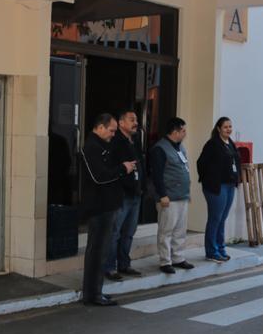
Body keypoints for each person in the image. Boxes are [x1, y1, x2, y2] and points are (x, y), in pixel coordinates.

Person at [80, 113, 136, 306]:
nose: (113, 134)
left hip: (108, 205)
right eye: (111, 130)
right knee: (97, 251)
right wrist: (123, 168)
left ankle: (95, 292)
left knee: (100, 252)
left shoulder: (103, 146)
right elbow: (100, 176)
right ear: (100, 127)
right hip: (99, 207)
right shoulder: (91, 147)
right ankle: (92, 294)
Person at [148, 117, 196, 274]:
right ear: (175, 132)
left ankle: (178, 258)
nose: (185, 133)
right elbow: (157, 175)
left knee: (180, 231)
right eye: (183, 130)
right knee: (166, 231)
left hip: (182, 196)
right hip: (168, 198)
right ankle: (165, 261)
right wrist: (162, 195)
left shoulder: (180, 147)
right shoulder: (160, 149)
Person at [105, 109, 146, 282]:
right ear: (121, 123)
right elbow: (112, 169)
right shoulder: (115, 142)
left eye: (136, 119)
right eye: (132, 119)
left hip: (136, 194)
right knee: (114, 232)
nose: (136, 122)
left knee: (129, 232)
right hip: (121, 195)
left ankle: (124, 264)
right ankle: (109, 267)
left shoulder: (135, 141)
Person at [196, 117, 241, 262]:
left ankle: (221, 249)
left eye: (230, 127)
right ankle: (211, 251)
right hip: (217, 187)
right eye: (225, 127)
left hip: (229, 186)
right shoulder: (212, 144)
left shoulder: (231, 144)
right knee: (215, 219)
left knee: (222, 219)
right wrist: (209, 180)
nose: (229, 129)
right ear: (218, 129)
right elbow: (201, 163)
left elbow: (236, 162)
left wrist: (236, 179)